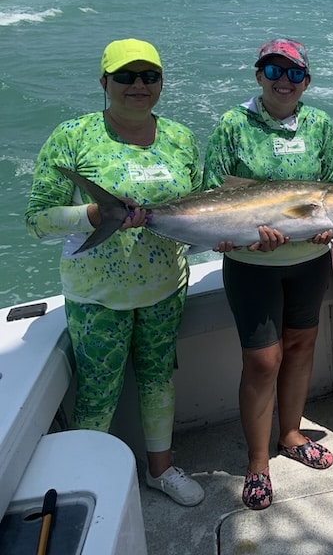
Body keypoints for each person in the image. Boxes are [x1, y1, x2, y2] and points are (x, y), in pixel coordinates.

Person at [25, 38, 205, 506]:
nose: (138, 86)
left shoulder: (182, 139)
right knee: (98, 393)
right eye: (125, 76)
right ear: (105, 82)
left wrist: (225, 235)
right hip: (96, 296)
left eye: (149, 76)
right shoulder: (73, 137)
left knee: (158, 379)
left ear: (162, 82)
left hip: (166, 288)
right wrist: (88, 215)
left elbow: (200, 211)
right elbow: (37, 219)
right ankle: (86, 483)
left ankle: (160, 470)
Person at [203, 38, 333, 510]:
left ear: (307, 81)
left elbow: (329, 188)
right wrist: (226, 234)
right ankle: (257, 461)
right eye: (274, 71)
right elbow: (211, 195)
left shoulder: (320, 124)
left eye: (295, 73)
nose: (285, 81)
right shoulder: (232, 124)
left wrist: (327, 231)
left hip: (308, 263)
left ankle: (291, 433)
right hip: (251, 265)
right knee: (263, 361)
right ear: (259, 76)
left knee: (301, 347)